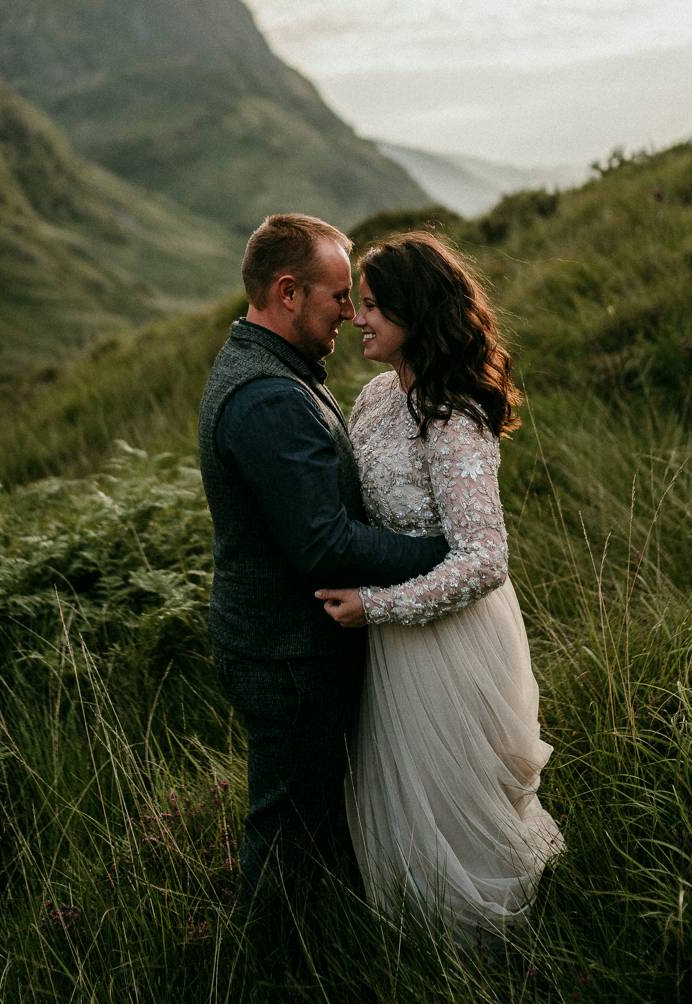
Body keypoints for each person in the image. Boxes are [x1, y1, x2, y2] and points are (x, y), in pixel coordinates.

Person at [314, 231, 564, 932]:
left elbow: (484, 559)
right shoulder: (374, 399)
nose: (357, 319)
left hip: (447, 640)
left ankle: (479, 946)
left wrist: (378, 605)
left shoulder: (453, 417)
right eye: (357, 304)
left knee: (450, 796)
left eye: (373, 307)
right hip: (390, 639)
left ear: (416, 312)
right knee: (398, 792)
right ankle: (407, 932)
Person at [196, 213, 451, 888]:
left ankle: (323, 947)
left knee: (313, 822)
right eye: (338, 295)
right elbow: (323, 543)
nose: (350, 312)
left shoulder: (273, 365)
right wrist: (440, 555)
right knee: (286, 839)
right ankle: (270, 976)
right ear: (287, 292)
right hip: (287, 657)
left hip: (288, 647)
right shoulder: (268, 398)